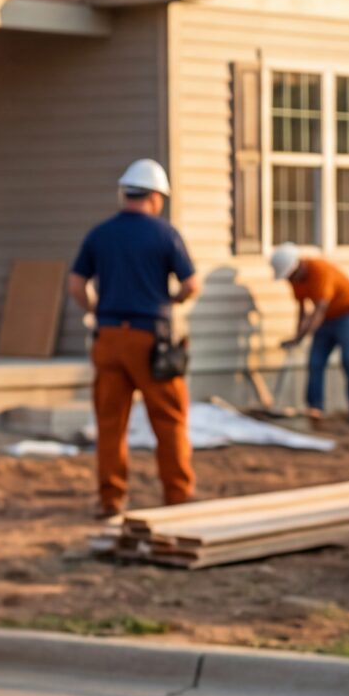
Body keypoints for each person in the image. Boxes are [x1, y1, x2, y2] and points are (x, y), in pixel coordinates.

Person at [68, 159, 198, 517]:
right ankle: (178, 496)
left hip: (108, 337)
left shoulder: (100, 234)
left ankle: (111, 500)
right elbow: (190, 285)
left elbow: (76, 285)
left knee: (110, 424)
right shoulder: (165, 234)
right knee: (169, 420)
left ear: (124, 193)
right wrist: (172, 301)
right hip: (150, 340)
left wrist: (95, 309)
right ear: (156, 197)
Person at [271, 243, 349, 424]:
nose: (288, 279)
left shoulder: (320, 271)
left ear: (297, 266)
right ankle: (315, 408)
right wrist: (296, 336)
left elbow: (319, 309)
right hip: (326, 318)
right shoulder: (295, 281)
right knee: (315, 361)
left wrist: (301, 337)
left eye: (289, 275)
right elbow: (302, 311)